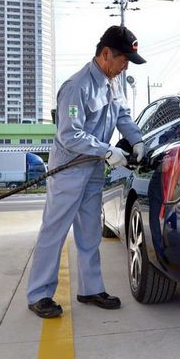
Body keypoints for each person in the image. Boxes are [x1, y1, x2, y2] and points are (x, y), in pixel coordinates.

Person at [26, 25, 146, 318]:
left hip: (92, 171)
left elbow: (122, 115)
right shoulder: (76, 86)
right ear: (106, 54)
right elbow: (69, 134)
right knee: (54, 232)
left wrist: (137, 139)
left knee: (90, 233)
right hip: (68, 170)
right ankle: (39, 294)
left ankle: (91, 289)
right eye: (123, 60)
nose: (125, 67)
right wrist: (107, 151)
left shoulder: (113, 83)